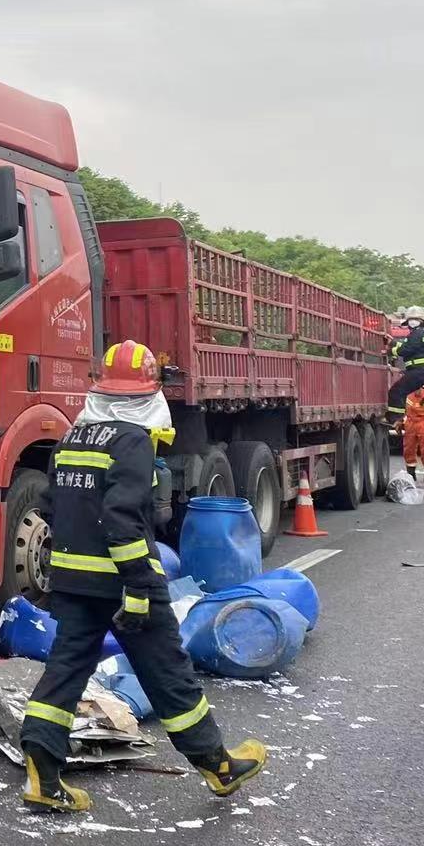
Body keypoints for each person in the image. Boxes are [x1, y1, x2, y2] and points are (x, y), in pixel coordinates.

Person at [20, 341, 267, 812]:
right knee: (168, 672)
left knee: (66, 669)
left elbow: (51, 506)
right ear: (148, 394)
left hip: (73, 583)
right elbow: (122, 520)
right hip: (123, 583)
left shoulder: (70, 440)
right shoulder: (132, 441)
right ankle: (217, 766)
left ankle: (43, 773)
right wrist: (137, 586)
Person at [386, 306, 424, 424]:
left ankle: (396, 419)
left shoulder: (417, 333)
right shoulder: (418, 333)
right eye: (411, 319)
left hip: (419, 370)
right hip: (420, 370)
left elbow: (406, 350)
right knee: (403, 392)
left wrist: (390, 351)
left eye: (416, 319)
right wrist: (395, 343)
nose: (412, 322)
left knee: (397, 391)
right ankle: (402, 418)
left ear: (421, 321)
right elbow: (407, 346)